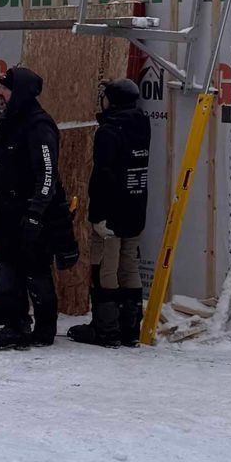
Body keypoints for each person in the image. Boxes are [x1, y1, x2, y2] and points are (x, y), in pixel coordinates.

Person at [0, 64, 69, 350]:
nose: (1, 95)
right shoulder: (8, 122)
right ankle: (15, 323)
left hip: (30, 212)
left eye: (5, 89)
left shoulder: (38, 125)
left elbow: (47, 174)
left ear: (19, 92)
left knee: (35, 270)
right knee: (8, 269)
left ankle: (43, 328)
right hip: (7, 209)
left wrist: (35, 212)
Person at [69, 75, 153, 347]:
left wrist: (98, 214)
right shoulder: (141, 124)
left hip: (112, 211)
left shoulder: (109, 131)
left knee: (106, 266)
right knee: (129, 265)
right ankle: (130, 330)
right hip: (136, 206)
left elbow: (103, 175)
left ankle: (106, 330)